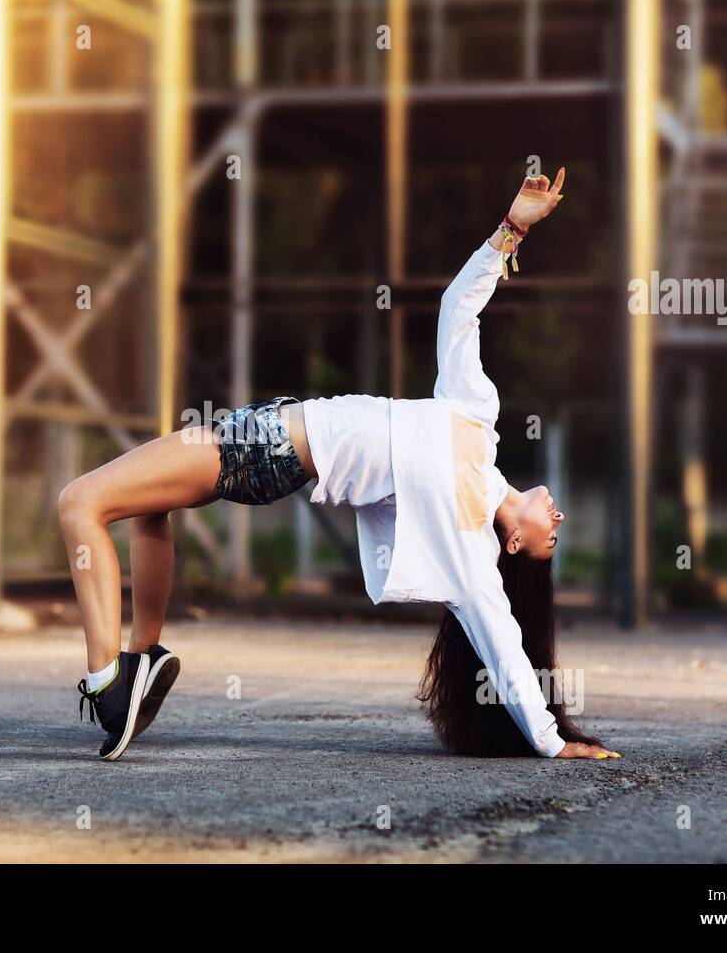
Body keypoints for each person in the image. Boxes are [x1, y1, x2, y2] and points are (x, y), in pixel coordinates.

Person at [59, 166, 618, 762]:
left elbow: (501, 639)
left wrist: (551, 741)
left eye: (550, 542)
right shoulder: (479, 418)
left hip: (268, 452)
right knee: (151, 508)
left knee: (79, 502)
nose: (559, 521)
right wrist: (511, 229)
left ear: (512, 546)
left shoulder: (469, 545)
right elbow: (458, 311)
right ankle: (144, 654)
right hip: (270, 422)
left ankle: (107, 684)